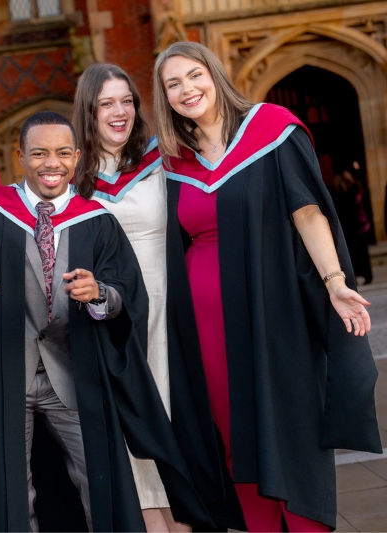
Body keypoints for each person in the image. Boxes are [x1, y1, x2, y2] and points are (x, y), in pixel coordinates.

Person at [0, 111, 213, 532]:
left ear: (78, 156)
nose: (53, 163)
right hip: (6, 373)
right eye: (40, 153)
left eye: (64, 153)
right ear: (20, 156)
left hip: (74, 371)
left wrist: (100, 294)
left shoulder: (96, 220)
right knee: (13, 491)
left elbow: (125, 287)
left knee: (100, 480)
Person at [153, 41, 381, 532]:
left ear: (214, 74)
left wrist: (335, 282)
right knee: (233, 431)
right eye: (173, 84)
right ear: (165, 96)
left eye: (194, 76)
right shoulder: (172, 162)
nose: (186, 89)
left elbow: (307, 210)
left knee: (291, 423)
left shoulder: (271, 130)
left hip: (273, 307)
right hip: (205, 321)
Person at [72, 63, 188, 533]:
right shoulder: (72, 175)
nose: (119, 112)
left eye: (127, 101)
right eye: (106, 104)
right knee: (131, 429)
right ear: (88, 111)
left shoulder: (167, 158)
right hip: (115, 318)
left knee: (181, 422)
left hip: (172, 309)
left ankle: (187, 516)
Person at [328, 169, 373, 284]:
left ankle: (361, 275)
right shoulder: (347, 190)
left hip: (352, 227)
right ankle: (363, 275)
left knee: (353, 254)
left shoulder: (351, 189)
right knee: (359, 253)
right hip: (354, 226)